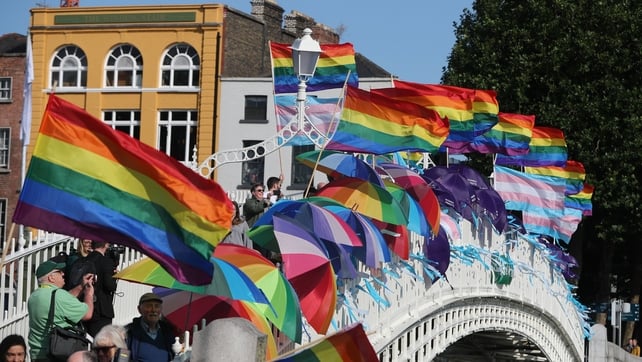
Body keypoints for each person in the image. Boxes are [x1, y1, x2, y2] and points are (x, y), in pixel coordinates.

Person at [28, 259, 94, 362]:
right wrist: (89, 294)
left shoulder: (34, 296)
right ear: (51, 277)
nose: (63, 273)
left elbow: (62, 303)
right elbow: (87, 314)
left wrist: (81, 286)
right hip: (56, 354)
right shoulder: (59, 295)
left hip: (37, 355)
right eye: (59, 271)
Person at [126, 293, 177, 362]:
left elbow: (174, 355)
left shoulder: (167, 331)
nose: (153, 310)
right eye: (149, 306)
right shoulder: (129, 332)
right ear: (139, 309)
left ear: (161, 309)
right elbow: (122, 359)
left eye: (157, 306)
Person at [83, 241, 118, 337]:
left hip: (85, 306)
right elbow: (110, 285)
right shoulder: (106, 261)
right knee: (101, 342)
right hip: (102, 310)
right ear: (106, 244)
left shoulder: (84, 260)